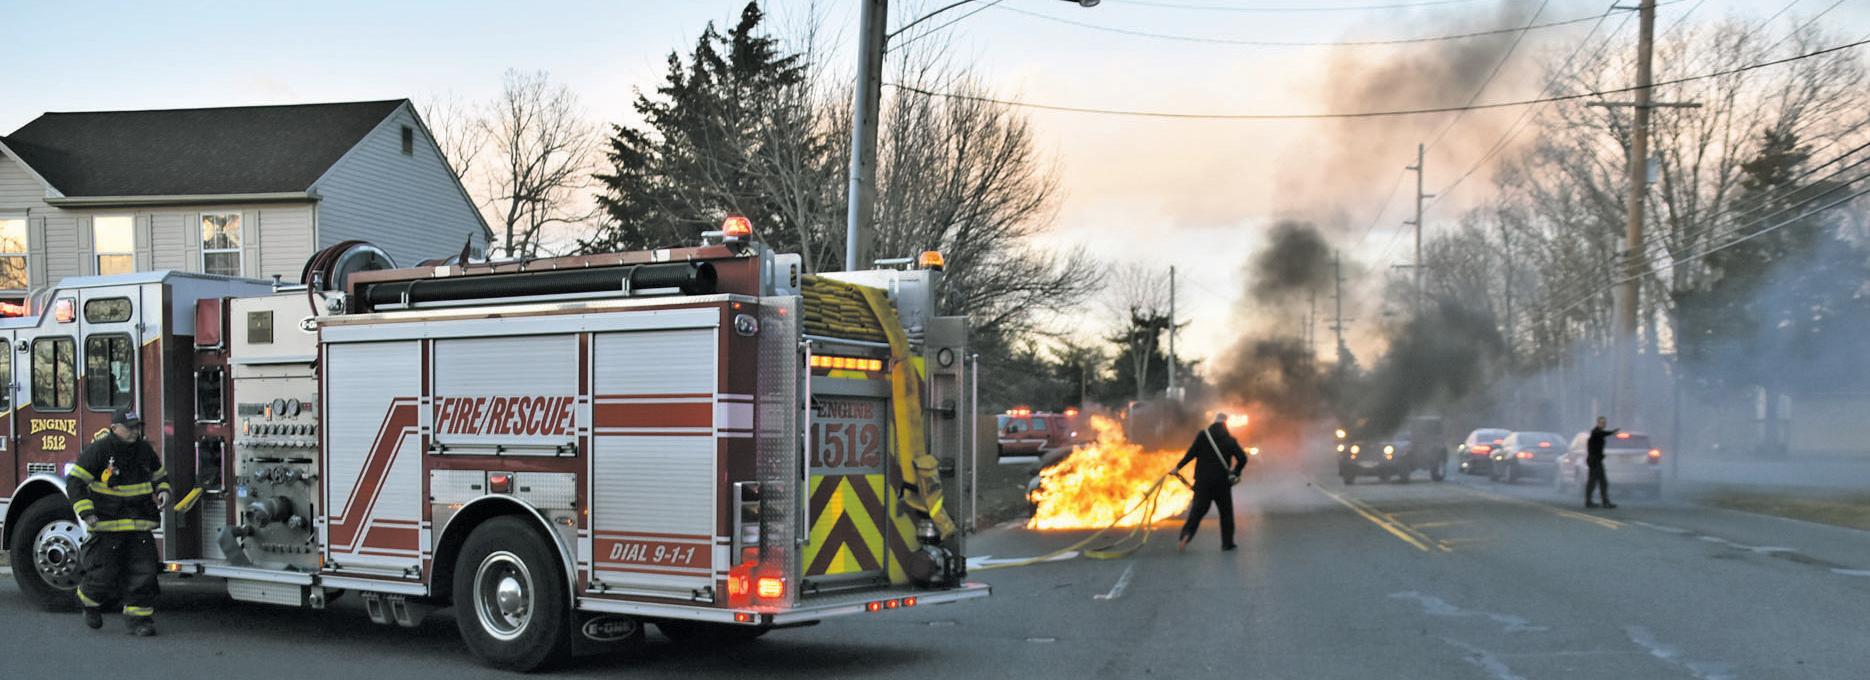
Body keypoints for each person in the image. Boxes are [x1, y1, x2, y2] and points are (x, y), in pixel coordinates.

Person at [67, 409, 169, 636]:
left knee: (144, 573)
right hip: (108, 524)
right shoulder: (99, 450)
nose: (135, 431)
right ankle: (89, 602)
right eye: (130, 428)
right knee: (103, 574)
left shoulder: (144, 450)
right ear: (115, 428)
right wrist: (86, 512)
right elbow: (75, 482)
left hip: (140, 523)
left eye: (137, 427)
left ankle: (139, 620)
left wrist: (163, 491)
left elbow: (159, 475)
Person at [1174, 413, 1250, 552]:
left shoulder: (1203, 436)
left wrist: (1177, 468)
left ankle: (1186, 536)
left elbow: (1191, 454)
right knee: (1226, 513)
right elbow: (1242, 458)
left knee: (1197, 511)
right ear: (1226, 424)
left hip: (1203, 482)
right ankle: (1227, 544)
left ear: (1214, 422)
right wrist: (1235, 472)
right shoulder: (1230, 440)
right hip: (1222, 483)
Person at [1584, 416, 1618, 509]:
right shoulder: (1596, 432)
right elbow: (1601, 434)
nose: (1603, 424)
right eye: (1602, 423)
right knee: (1598, 482)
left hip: (1596, 460)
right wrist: (1611, 432)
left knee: (1597, 482)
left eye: (1604, 423)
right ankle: (1600, 502)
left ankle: (1592, 501)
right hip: (1594, 461)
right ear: (1598, 423)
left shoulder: (1598, 433)